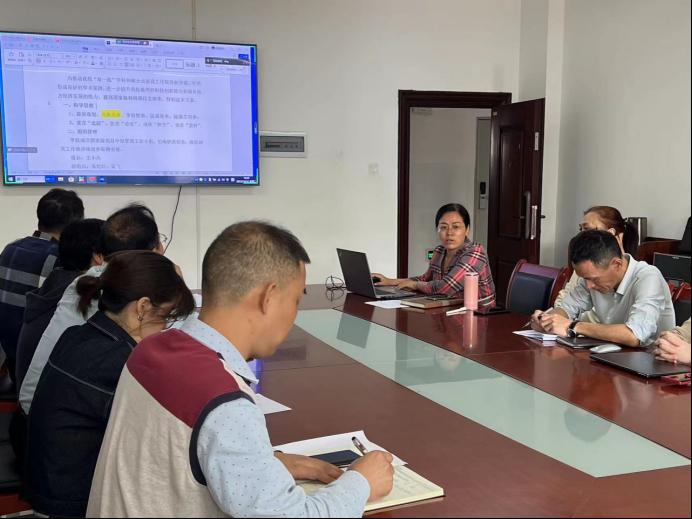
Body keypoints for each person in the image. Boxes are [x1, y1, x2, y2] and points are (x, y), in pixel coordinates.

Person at [87, 221, 394, 517]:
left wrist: (269, 463)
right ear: (268, 297)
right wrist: (362, 482)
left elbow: (173, 458)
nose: (294, 315)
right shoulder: (224, 401)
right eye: (295, 301)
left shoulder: (150, 349)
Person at [24, 251, 194, 518]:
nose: (165, 328)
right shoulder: (120, 363)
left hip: (47, 484)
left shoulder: (77, 335)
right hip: (75, 502)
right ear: (142, 308)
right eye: (166, 317)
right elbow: (160, 441)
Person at [19, 203, 165, 413]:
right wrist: (171, 279)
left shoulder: (86, 282)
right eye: (160, 244)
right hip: (52, 415)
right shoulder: (124, 294)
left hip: (36, 407)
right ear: (151, 255)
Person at [532, 230, 675, 346]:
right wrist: (548, 320)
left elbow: (635, 335)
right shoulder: (591, 277)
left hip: (651, 361)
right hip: (612, 354)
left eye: (594, 279)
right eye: (585, 279)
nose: (589, 285)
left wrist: (574, 326)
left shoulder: (648, 277)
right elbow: (567, 308)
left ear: (617, 264)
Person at [0, 188, 84, 382]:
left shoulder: (10, 248)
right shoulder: (61, 260)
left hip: (8, 353)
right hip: (34, 360)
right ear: (75, 225)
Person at [14, 218, 105, 390]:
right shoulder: (82, 296)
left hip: (26, 393)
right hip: (41, 400)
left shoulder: (55, 283)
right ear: (98, 257)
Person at [373, 203, 496, 308]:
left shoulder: (475, 252)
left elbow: (446, 287)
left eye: (456, 227)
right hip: (448, 309)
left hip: (480, 314)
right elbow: (425, 279)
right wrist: (390, 281)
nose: (449, 233)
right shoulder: (439, 251)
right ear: (437, 230)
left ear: (467, 229)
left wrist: (414, 285)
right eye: (443, 227)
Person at [554, 206, 639, 323]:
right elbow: (566, 304)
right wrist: (549, 319)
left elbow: (634, 330)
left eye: (588, 230)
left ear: (610, 234)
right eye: (581, 229)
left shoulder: (642, 275)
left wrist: (571, 325)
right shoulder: (584, 266)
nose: (583, 235)